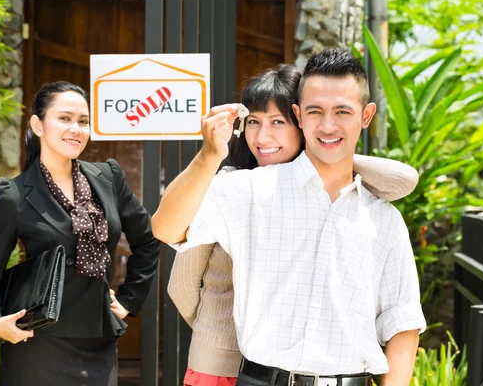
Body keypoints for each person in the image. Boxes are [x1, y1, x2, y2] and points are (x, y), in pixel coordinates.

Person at [155, 50, 425, 386]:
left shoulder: (384, 219)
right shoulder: (245, 190)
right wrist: (210, 156)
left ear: (366, 115)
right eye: (315, 112)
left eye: (342, 111)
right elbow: (166, 228)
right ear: (299, 114)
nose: (328, 125)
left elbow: (402, 324)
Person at [0, 81, 160, 386]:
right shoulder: (14, 194)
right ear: (38, 125)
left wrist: (129, 299)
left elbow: (148, 240)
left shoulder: (108, 177)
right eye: (64, 118)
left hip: (99, 340)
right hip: (37, 342)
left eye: (83, 121)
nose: (76, 128)